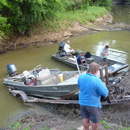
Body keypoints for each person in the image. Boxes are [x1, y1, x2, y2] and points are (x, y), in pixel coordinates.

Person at [78, 62, 109, 130]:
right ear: (96, 71)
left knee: (85, 118)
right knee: (95, 121)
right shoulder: (97, 80)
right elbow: (105, 93)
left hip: (82, 103)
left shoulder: (81, 76)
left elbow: (79, 86)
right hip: (93, 105)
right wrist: (104, 85)